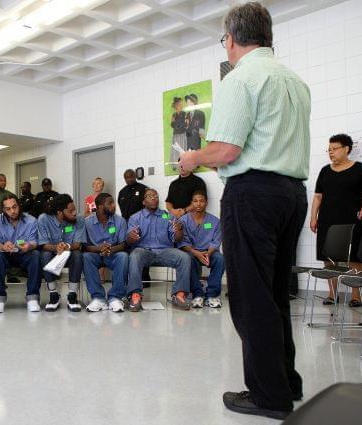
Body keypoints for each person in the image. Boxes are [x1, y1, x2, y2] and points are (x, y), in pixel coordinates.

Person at [178, 2, 310, 419]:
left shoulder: (241, 78)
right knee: (274, 295)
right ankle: (286, 381)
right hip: (291, 193)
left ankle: (269, 396)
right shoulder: (294, 80)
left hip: (253, 193)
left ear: (231, 39)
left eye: (224, 40)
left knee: (252, 299)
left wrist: (192, 158)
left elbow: (226, 150)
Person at [310, 134, 362, 307]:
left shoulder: (360, 168)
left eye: (334, 149)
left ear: (346, 149)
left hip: (352, 220)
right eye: (329, 150)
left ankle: (356, 296)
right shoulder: (325, 171)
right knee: (328, 258)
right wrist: (313, 217)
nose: (331, 152)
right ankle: (332, 294)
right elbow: (317, 196)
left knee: (354, 258)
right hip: (326, 222)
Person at [126, 188, 191, 311]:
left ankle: (179, 295)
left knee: (184, 257)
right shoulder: (135, 217)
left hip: (165, 251)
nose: (154, 198)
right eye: (150, 196)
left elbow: (177, 239)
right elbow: (129, 241)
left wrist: (179, 231)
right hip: (144, 251)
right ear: (143, 202)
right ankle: (135, 295)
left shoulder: (168, 216)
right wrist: (132, 237)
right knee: (134, 255)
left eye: (156, 196)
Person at [0, 194, 41, 313]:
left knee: (36, 255)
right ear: (3, 210)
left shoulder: (31, 220)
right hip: (5, 254)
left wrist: (29, 246)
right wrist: (2, 246)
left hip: (24, 254)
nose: (12, 211)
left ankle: (32, 297)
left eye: (15, 207)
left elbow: (34, 242)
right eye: (8, 209)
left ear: (19, 205)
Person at [38, 194, 86, 312]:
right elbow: (44, 244)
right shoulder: (44, 219)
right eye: (71, 211)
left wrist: (66, 246)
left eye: (74, 209)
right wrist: (56, 247)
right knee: (45, 254)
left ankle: (72, 296)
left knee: (78, 255)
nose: (74, 213)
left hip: (69, 252)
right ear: (60, 212)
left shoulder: (79, 219)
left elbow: (78, 244)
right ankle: (53, 295)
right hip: (52, 252)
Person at [178, 191, 224, 308]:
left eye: (202, 201)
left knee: (220, 259)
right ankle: (197, 294)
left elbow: (216, 240)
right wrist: (196, 253)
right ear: (191, 203)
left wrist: (208, 252)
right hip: (192, 252)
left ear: (206, 203)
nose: (198, 204)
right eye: (195, 201)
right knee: (187, 259)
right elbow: (182, 242)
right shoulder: (184, 220)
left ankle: (211, 296)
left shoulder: (214, 221)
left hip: (209, 252)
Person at [83, 193, 128, 313]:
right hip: (95, 254)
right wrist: (99, 249)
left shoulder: (120, 221)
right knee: (86, 257)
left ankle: (115, 297)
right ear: (100, 206)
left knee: (123, 257)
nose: (114, 206)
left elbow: (123, 244)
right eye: (110, 203)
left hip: (113, 253)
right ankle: (98, 298)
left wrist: (110, 249)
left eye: (113, 203)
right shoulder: (87, 223)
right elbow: (85, 246)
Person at [117, 169, 151, 283]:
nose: (129, 179)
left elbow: (148, 206)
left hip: (142, 224)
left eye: (131, 176)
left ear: (135, 176)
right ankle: (130, 278)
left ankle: (145, 279)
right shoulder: (122, 192)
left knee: (143, 248)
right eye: (127, 177)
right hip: (126, 226)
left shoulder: (143, 189)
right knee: (128, 250)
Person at [169, 97, 188, 171]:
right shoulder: (174, 115)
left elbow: (186, 124)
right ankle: (175, 165)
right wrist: (178, 124)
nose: (181, 106)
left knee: (182, 149)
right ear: (175, 106)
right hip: (176, 135)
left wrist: (179, 125)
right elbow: (172, 124)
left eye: (181, 104)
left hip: (182, 134)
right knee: (175, 150)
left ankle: (184, 165)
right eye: (179, 104)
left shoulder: (184, 114)